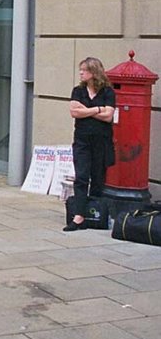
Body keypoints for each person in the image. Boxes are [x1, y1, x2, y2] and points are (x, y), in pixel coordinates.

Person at [64, 56, 116, 231]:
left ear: (94, 72)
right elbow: (74, 112)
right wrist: (98, 109)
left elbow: (109, 116)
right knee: (82, 176)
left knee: (98, 178)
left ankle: (93, 213)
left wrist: (86, 110)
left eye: (83, 70)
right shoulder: (78, 90)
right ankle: (78, 216)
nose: (80, 73)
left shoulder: (108, 91)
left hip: (101, 141)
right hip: (82, 141)